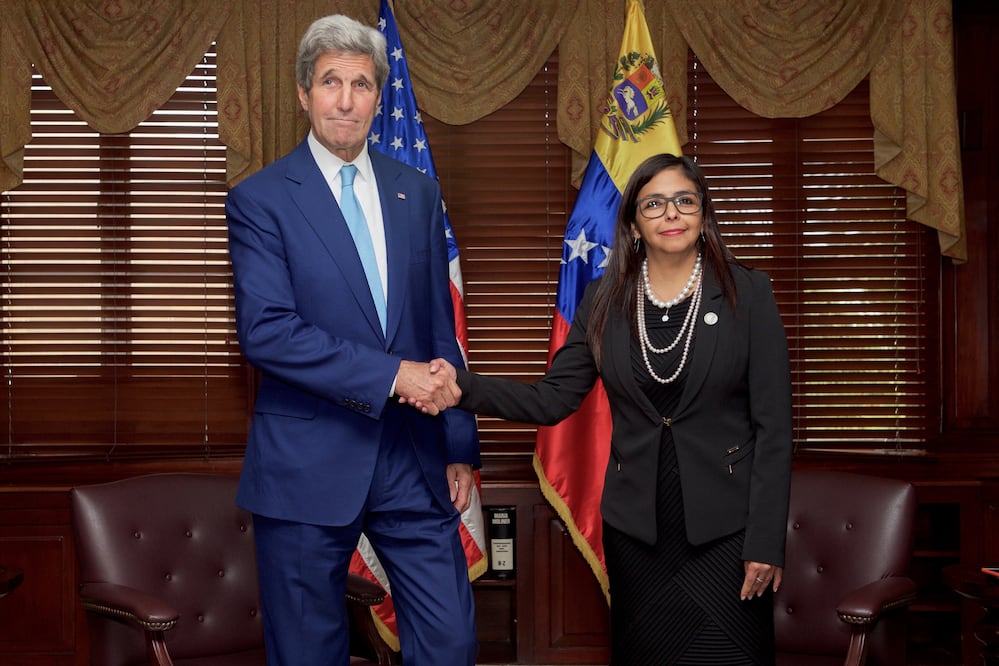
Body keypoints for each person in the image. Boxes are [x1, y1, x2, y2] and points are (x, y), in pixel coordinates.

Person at [426, 153, 792, 664]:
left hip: (727, 532)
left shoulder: (747, 293)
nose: (671, 214)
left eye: (685, 201)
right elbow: (552, 398)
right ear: (634, 224)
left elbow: (773, 430)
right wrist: (460, 388)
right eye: (655, 204)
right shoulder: (603, 300)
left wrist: (766, 542)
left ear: (702, 213)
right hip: (638, 532)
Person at [225, 14, 479, 666]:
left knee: (450, 642)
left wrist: (457, 445)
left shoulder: (415, 193)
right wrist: (392, 375)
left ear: (378, 96)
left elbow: (435, 329)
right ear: (303, 94)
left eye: (361, 84)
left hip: (411, 459)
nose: (345, 100)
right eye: (330, 82)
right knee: (309, 653)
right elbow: (267, 332)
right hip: (306, 463)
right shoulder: (260, 200)